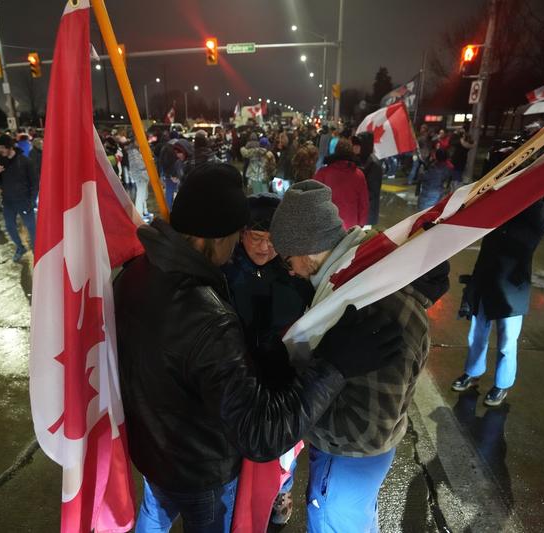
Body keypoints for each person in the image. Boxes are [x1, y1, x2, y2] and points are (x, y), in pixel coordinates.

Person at [114, 163, 403, 533]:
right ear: (218, 236)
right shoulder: (206, 314)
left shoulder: (135, 274)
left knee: (153, 517)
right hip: (202, 470)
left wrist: (261, 359)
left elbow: (177, 364)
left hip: (153, 454)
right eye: (240, 234)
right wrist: (334, 366)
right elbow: (260, 434)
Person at [269, 180, 444, 532]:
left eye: (289, 260)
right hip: (356, 461)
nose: (291, 271)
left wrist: (301, 408)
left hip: (349, 460)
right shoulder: (358, 277)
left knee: (336, 523)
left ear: (307, 250)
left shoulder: (366, 303)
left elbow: (367, 429)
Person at [221, 193, 314, 525]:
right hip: (237, 381)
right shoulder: (222, 275)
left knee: (282, 450)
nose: (264, 248)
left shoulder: (297, 277)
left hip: (281, 381)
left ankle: (282, 488)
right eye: (257, 238)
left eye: (273, 240)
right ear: (242, 234)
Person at [452, 200, 544, 406]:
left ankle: (502, 384)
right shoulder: (500, 210)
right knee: (477, 333)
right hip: (484, 279)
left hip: (511, 289)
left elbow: (543, 220)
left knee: (507, 341)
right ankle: (472, 372)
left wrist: (532, 192)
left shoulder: (533, 216)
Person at [0, 134, 37, 262]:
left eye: (2, 147)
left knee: (32, 228)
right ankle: (20, 247)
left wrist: (31, 200)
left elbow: (34, 183)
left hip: (24, 201)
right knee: (9, 226)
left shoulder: (25, 161)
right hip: (8, 201)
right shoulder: (1, 161)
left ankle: (37, 251)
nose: (0, 150)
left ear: (10, 147)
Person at [313, 138, 368, 229]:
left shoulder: (323, 173)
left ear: (335, 151)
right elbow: (363, 203)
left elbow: (315, 200)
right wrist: (361, 223)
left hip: (329, 225)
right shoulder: (359, 175)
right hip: (351, 225)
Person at [353, 134, 383, 226]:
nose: (354, 147)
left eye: (357, 145)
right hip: (360, 210)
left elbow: (372, 192)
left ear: (364, 146)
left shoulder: (374, 164)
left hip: (367, 214)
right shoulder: (360, 159)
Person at [124, 138, 150, 219]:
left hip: (141, 175)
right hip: (140, 175)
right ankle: (140, 214)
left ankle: (144, 212)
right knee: (141, 195)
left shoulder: (135, 150)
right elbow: (139, 164)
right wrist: (148, 163)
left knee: (143, 194)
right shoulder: (134, 151)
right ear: (136, 141)